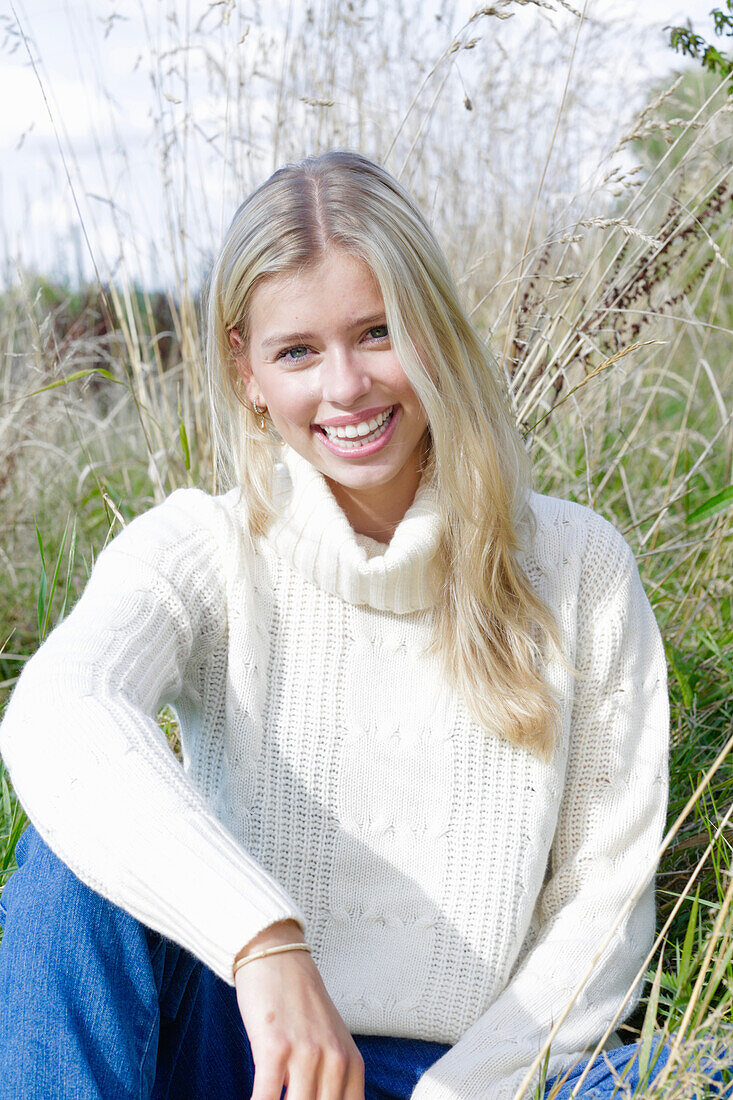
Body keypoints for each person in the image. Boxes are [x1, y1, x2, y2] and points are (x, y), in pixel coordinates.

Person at [0, 150, 680, 1100]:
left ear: (434, 329)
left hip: (464, 1075)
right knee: (69, 862)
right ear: (246, 370)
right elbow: (59, 711)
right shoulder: (205, 547)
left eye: (378, 331)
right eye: (297, 352)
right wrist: (263, 943)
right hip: (235, 1041)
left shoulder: (576, 567)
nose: (347, 387)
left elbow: (598, 913)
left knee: (693, 1072)